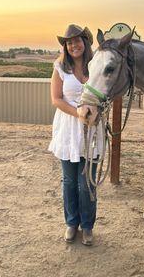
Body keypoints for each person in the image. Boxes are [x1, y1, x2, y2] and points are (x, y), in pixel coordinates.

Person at [48, 24, 103, 246]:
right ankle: (72, 223)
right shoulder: (60, 67)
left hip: (92, 130)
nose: (73, 45)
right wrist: (78, 114)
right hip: (68, 130)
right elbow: (57, 99)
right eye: (69, 42)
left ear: (85, 42)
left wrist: (94, 113)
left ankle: (88, 226)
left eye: (77, 41)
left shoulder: (96, 66)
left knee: (87, 183)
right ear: (66, 46)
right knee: (70, 181)